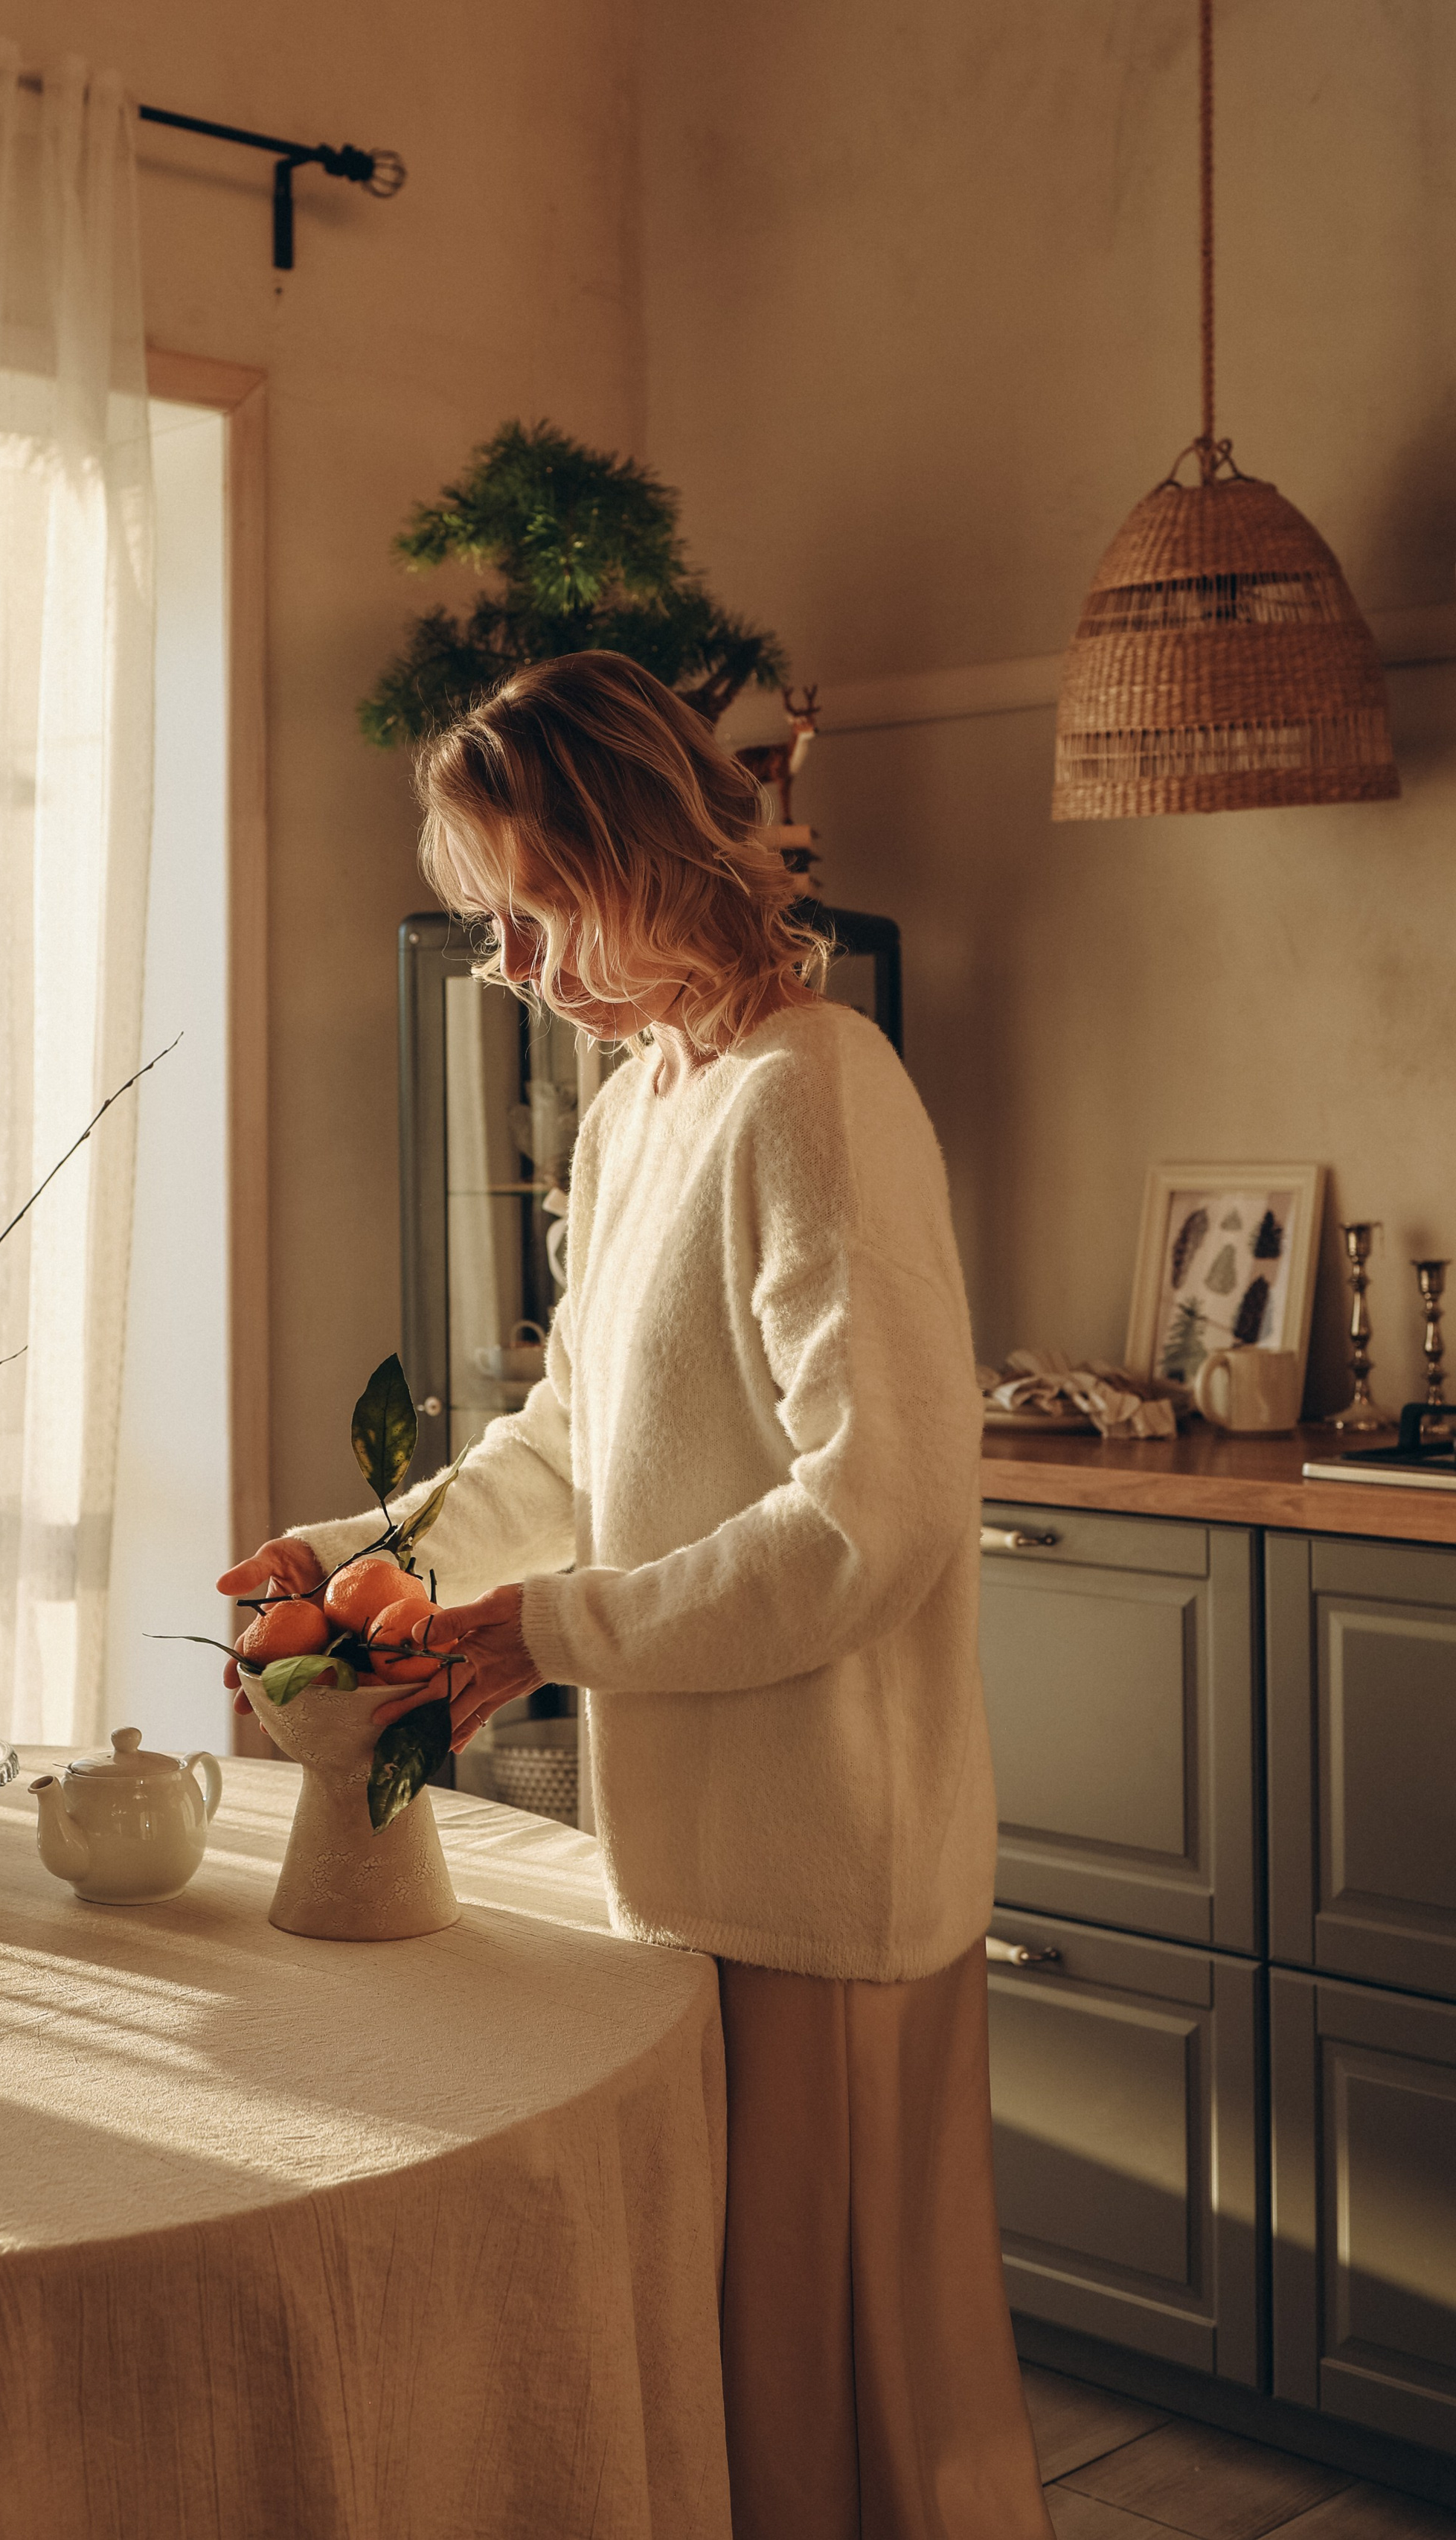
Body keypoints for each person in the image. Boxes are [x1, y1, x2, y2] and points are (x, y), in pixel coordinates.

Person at [218, 650, 1053, 2540]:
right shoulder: (633, 1112)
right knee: (750, 2413)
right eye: (486, 924)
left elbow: (880, 1518)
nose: (511, 969)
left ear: (648, 853)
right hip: (685, 1865)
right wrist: (366, 1562)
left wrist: (546, 1634)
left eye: (532, 914)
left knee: (864, 2431)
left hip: (832, 1880)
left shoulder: (814, 1092)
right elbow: (573, 1447)